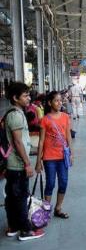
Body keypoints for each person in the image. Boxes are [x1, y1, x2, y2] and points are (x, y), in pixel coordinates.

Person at [4, 82, 44, 240]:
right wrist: (27, 164)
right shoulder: (15, 115)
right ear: (15, 98)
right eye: (25, 95)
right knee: (21, 197)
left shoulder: (15, 113)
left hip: (13, 164)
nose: (29, 98)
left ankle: (13, 227)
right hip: (17, 164)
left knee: (12, 197)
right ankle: (26, 230)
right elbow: (18, 142)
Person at [35, 91, 73, 219]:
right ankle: (46, 210)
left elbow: (68, 136)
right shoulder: (45, 120)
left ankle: (58, 208)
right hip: (49, 158)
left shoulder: (65, 117)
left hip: (63, 157)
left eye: (60, 100)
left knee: (63, 182)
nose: (59, 102)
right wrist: (38, 161)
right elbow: (41, 141)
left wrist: (71, 153)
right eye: (56, 100)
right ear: (50, 103)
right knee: (50, 183)